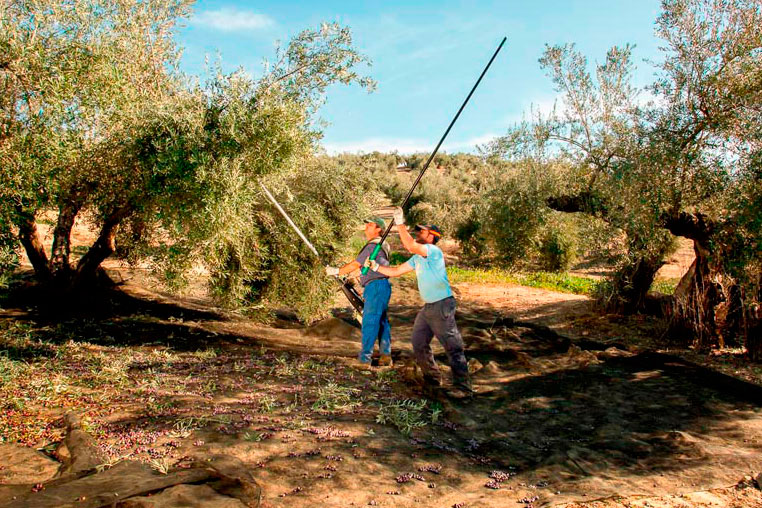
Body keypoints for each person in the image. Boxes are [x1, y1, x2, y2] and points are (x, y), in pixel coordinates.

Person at [365, 208, 472, 396]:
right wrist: (376, 267)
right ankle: (432, 378)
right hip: (429, 307)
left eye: (422, 231)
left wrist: (399, 222)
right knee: (418, 342)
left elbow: (410, 245)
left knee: (452, 345)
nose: (418, 233)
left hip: (442, 304)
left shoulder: (433, 251)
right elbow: (396, 271)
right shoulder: (418, 257)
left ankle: (463, 387)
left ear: (432, 236)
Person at [325, 217, 393, 367]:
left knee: (370, 321)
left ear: (379, 230)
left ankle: (364, 359)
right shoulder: (380, 246)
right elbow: (365, 268)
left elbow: (356, 264)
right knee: (381, 321)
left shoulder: (373, 246)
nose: (366, 226)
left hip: (375, 287)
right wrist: (355, 279)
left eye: (370, 224)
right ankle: (385, 356)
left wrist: (337, 271)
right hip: (381, 286)